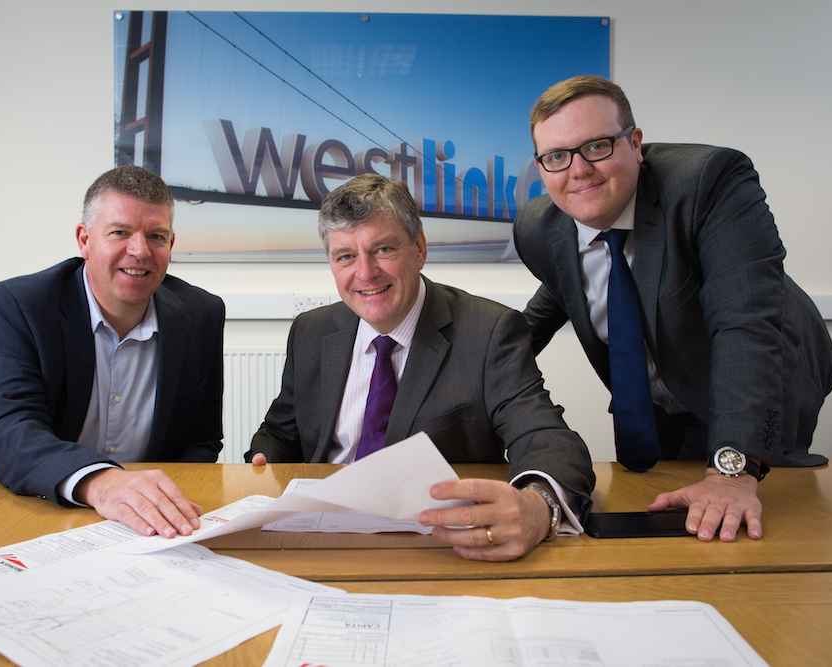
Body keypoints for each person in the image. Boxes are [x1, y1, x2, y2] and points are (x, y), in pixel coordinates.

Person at [514, 75, 832, 543]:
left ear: (636, 143)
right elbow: (561, 293)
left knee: (745, 515)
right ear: (542, 166)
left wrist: (731, 473)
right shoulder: (538, 226)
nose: (578, 170)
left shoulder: (709, 182)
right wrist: (472, 366)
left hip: (762, 371)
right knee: (651, 499)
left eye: (598, 146)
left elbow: (743, 323)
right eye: (557, 156)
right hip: (657, 391)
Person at [246, 173, 595, 562]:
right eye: (345, 256)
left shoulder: (489, 332)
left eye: (383, 249)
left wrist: (537, 505)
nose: (364, 273)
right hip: (320, 537)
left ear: (419, 248)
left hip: (436, 544)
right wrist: (264, 463)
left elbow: (547, 437)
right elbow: (279, 433)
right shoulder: (311, 331)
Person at [0, 165, 226, 539]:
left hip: (153, 528)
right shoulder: (22, 305)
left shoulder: (202, 314)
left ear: (170, 245)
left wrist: (160, 503)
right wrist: (101, 483)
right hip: (47, 514)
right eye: (120, 233)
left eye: (156, 236)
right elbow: (8, 430)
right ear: (84, 240)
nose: (140, 250)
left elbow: (201, 439)